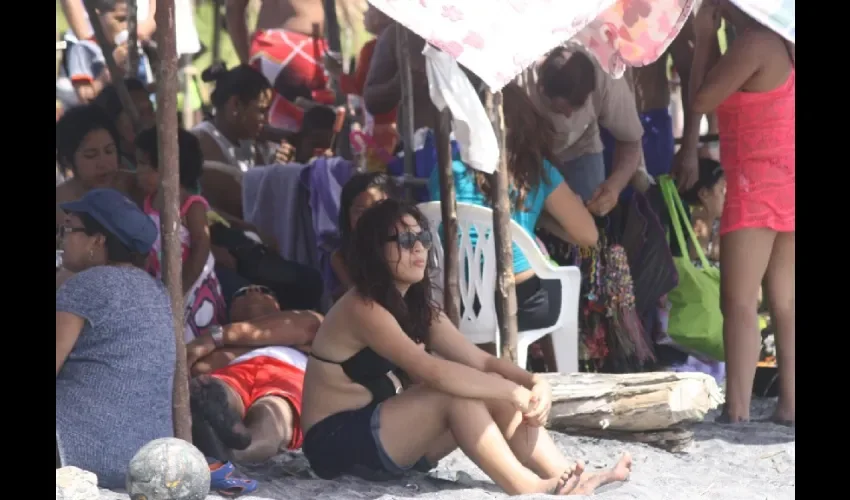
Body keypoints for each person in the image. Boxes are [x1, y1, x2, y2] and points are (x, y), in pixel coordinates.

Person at [300, 199, 631, 495]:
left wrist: (532, 383)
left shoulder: (417, 306)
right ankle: (528, 489)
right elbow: (432, 371)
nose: (417, 248)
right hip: (336, 444)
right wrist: (509, 391)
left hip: (386, 437)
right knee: (454, 393)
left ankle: (564, 479)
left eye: (422, 238)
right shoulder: (363, 308)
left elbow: (481, 362)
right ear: (375, 249)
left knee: (485, 389)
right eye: (403, 240)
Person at [675, 0, 795, 425]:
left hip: (755, 183)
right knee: (784, 301)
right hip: (785, 180)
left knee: (740, 302)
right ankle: (789, 404)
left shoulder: (756, 45)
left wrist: (705, 39)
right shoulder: (780, 43)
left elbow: (701, 100)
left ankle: (739, 408)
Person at [428, 83, 598, 334]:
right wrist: (538, 220)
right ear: (525, 124)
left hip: (453, 301)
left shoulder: (444, 170)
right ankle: (548, 366)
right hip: (520, 304)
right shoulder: (534, 172)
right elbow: (588, 235)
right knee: (557, 279)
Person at [56, 188, 175, 488]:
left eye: (68, 229)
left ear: (97, 241)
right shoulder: (155, 289)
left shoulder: (86, 286)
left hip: (79, 451)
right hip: (144, 457)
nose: (61, 238)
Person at [187, 286, 322, 467]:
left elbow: (307, 326)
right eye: (241, 293)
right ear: (229, 313)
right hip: (234, 372)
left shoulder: (304, 318)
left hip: (288, 374)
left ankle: (237, 451)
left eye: (265, 290)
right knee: (215, 388)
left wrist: (214, 338)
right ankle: (225, 423)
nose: (252, 292)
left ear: (279, 307)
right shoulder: (297, 340)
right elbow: (198, 367)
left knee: (273, 409)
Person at [526, 46, 644, 216]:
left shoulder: (607, 75)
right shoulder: (518, 79)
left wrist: (614, 187)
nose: (568, 116)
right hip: (530, 154)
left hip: (582, 149)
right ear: (541, 88)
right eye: (559, 108)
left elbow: (631, 141)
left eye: (577, 107)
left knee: (591, 220)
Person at [135, 127, 228, 341]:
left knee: (193, 336)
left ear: (167, 168)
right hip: (162, 284)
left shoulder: (190, 206)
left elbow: (201, 247)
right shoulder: (149, 202)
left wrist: (181, 287)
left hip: (192, 284)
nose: (136, 171)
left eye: (142, 164)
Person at [226, 0, 333, 129]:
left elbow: (233, 6)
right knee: (317, 135)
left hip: (269, 48)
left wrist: (247, 62)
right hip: (305, 50)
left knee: (270, 135)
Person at [325, 5, 398, 155]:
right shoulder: (402, 44)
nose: (365, 13)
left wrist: (337, 73)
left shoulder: (371, 49)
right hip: (400, 123)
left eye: (370, 9)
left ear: (383, 17)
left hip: (379, 125)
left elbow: (360, 88)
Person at [56, 104, 140, 232]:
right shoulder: (59, 204)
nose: (103, 163)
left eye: (109, 151)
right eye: (91, 155)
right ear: (67, 161)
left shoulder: (137, 186)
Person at [65, 0, 150, 104]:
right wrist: (111, 68)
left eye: (131, 20)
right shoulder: (84, 49)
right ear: (98, 16)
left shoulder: (135, 48)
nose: (126, 26)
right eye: (120, 19)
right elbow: (85, 99)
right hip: (102, 118)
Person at [331, 172, 391, 296]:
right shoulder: (340, 257)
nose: (369, 217)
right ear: (347, 216)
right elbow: (359, 296)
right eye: (360, 211)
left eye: (377, 209)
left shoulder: (402, 246)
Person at [92, 78, 156, 170]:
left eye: (150, 111)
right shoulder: (109, 171)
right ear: (113, 120)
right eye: (139, 113)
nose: (149, 119)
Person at [681, 158, 726, 262]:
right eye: (721, 190)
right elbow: (698, 263)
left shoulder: (714, 222)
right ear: (704, 194)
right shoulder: (698, 224)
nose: (727, 196)